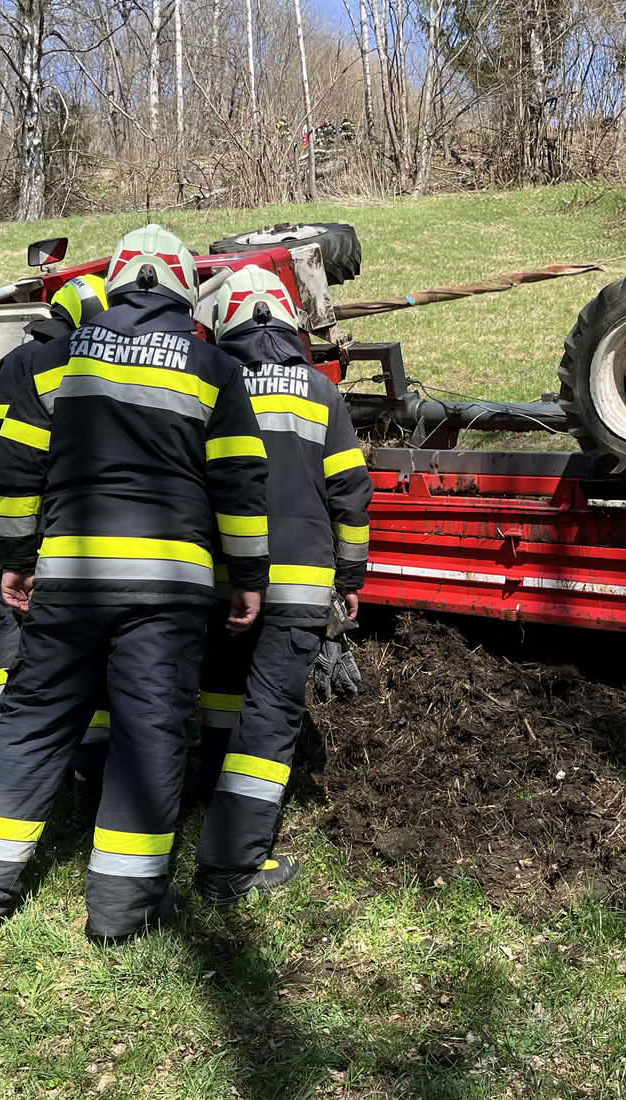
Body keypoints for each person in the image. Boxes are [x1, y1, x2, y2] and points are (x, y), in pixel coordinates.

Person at [0, 224, 270, 943]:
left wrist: (18, 562)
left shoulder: (48, 361)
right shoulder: (213, 372)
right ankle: (121, 917)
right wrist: (246, 578)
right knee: (148, 740)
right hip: (168, 589)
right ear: (185, 294)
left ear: (113, 285)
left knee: (30, 725)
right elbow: (240, 485)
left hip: (71, 576)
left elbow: (16, 470)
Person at [192, 265, 373, 905]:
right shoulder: (321, 395)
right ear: (290, 324)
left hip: (225, 580)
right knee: (270, 719)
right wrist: (350, 577)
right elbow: (350, 493)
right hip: (298, 587)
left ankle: (212, 813)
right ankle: (233, 864)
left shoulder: (213, 383)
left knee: (219, 696)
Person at [0, 274, 112, 805]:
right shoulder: (39, 362)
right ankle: (80, 772)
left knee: (20, 640)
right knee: (41, 639)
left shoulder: (16, 361)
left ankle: (13, 743)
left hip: (17, 526)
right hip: (46, 528)